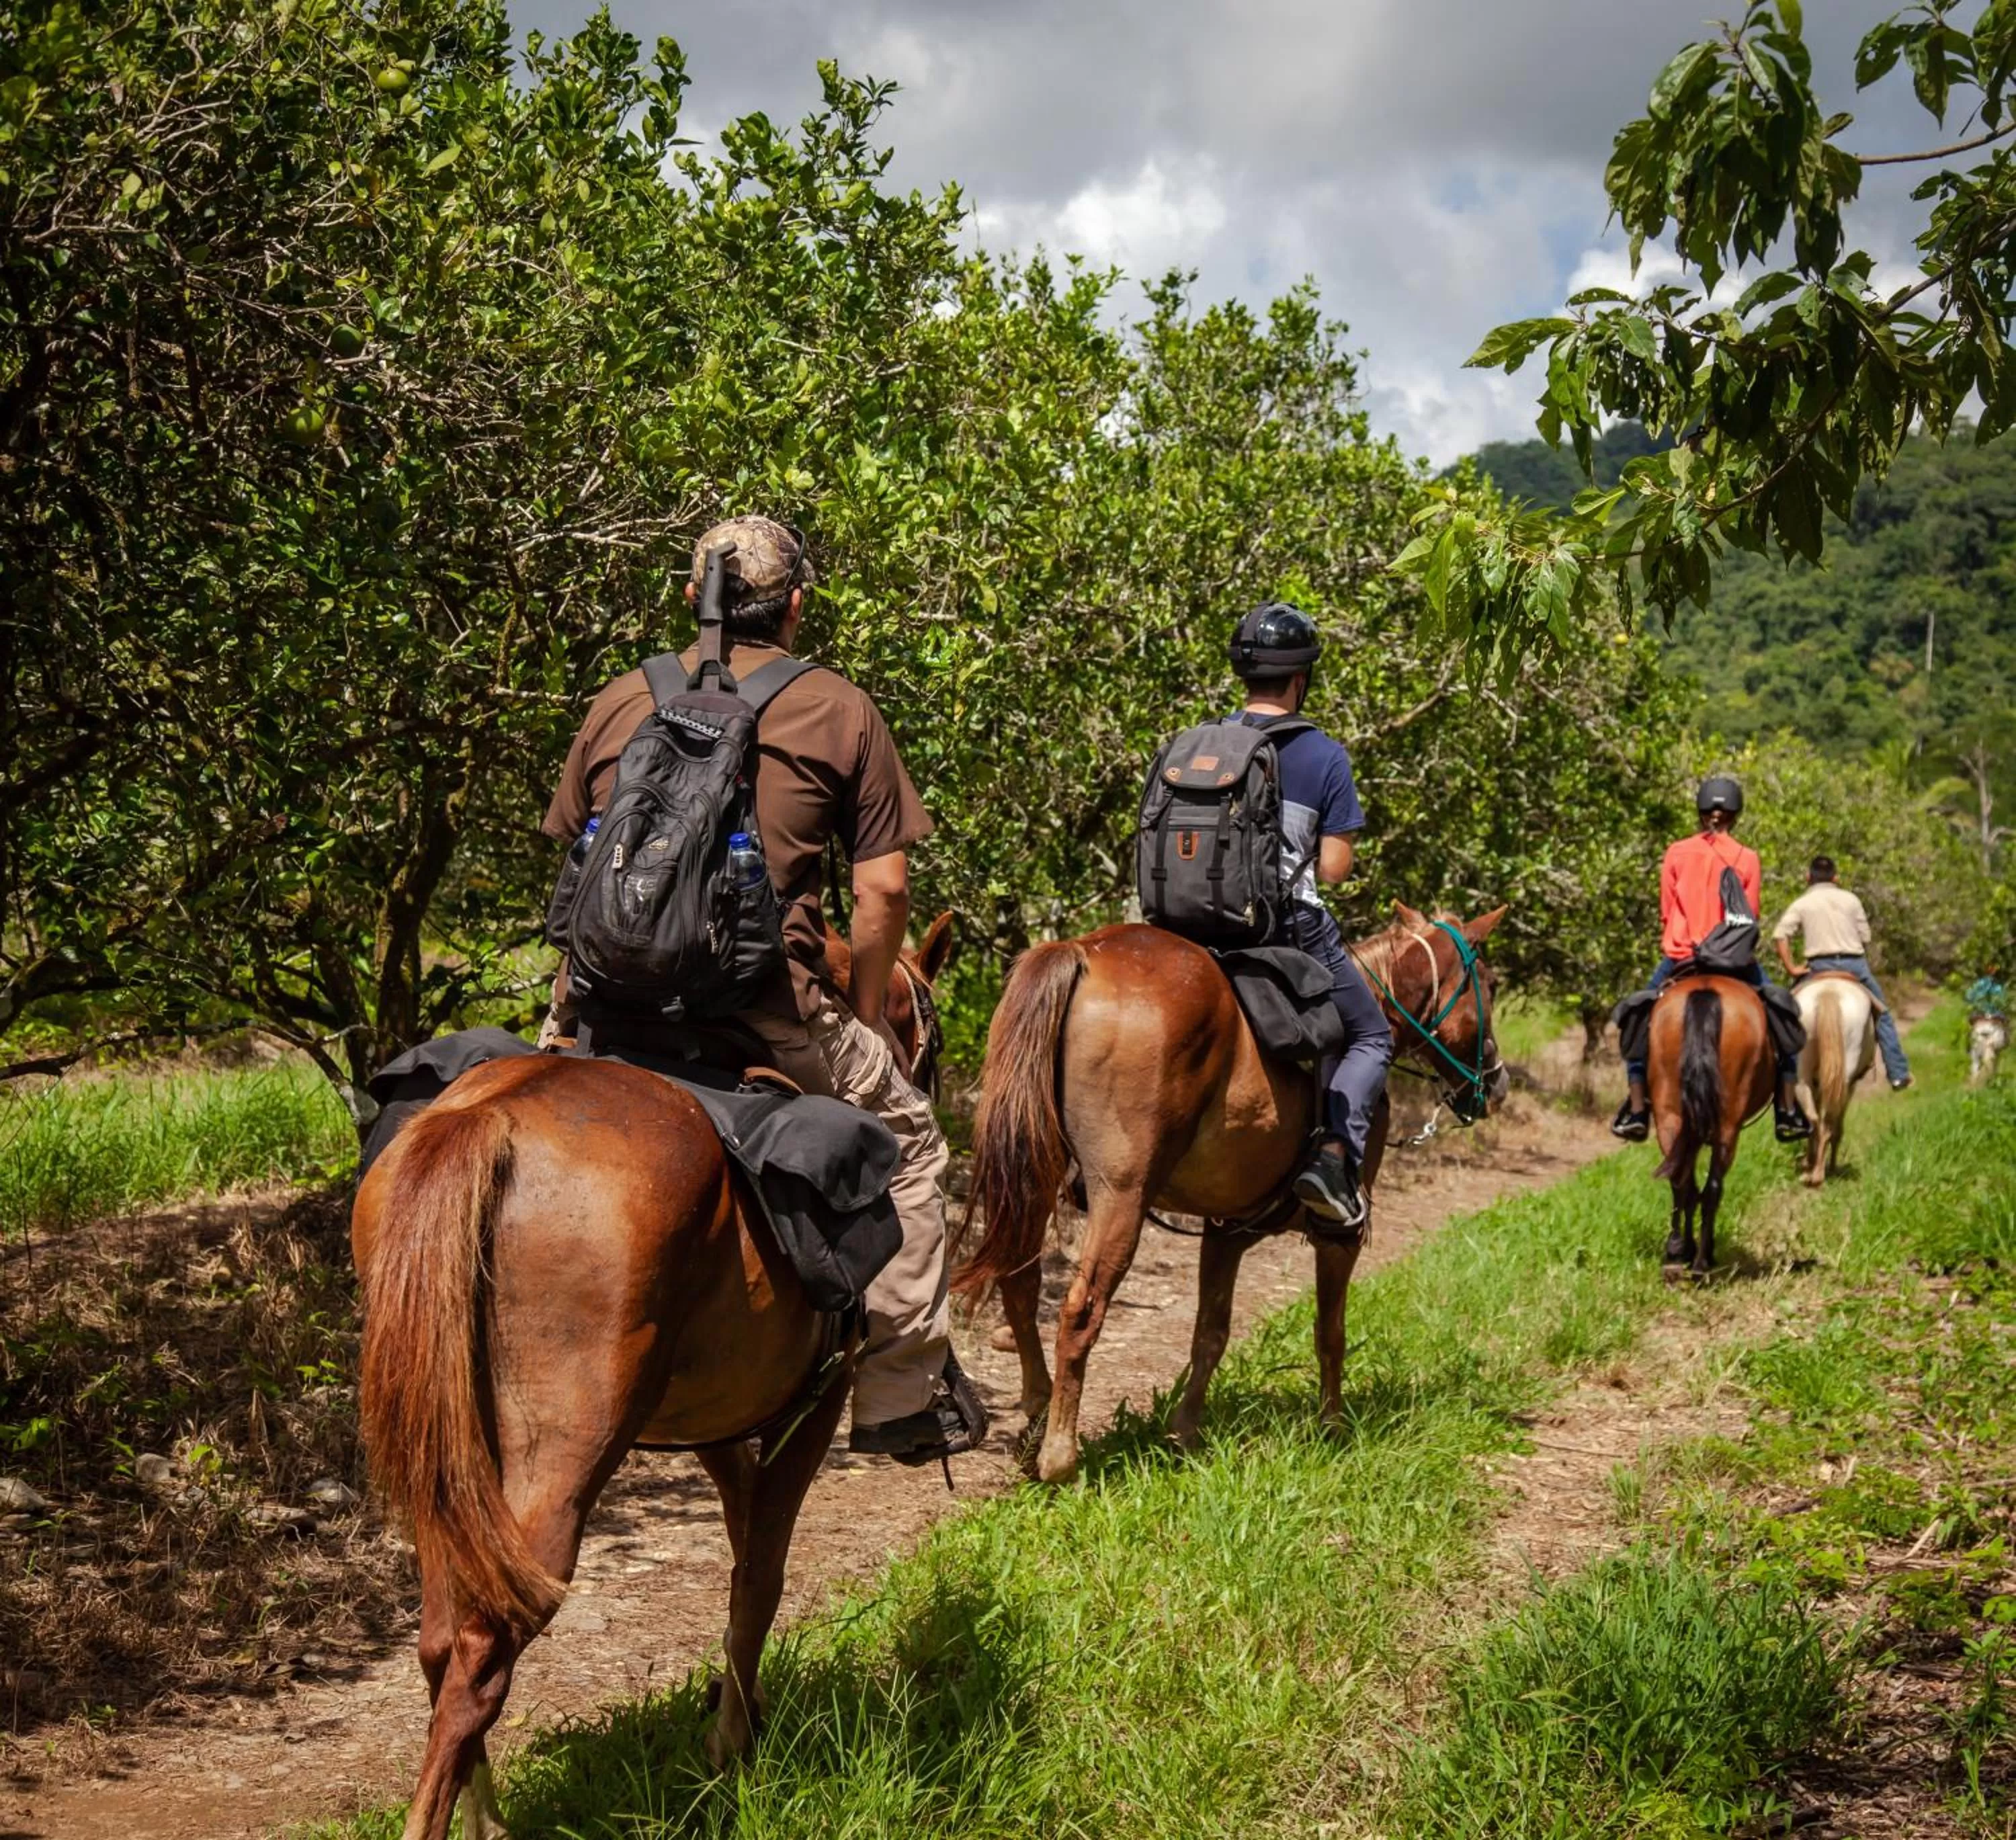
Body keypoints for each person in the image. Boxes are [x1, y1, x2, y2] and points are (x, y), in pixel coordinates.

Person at [542, 515, 986, 1467]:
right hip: (761, 1000)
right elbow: (885, 890)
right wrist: (862, 1016)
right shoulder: (839, 708)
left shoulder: (623, 696)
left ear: (693, 598)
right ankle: (900, 1393)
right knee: (910, 1146)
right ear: (794, 604)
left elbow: (573, 852)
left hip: (600, 992)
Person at [1226, 603, 1394, 1230]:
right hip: (1286, 926)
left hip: (1200, 922)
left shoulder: (1206, 738)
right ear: (1301, 680)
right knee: (1372, 1036)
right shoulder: (1324, 756)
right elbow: (1332, 871)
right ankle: (1331, 1156)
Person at [1611, 774, 1812, 1144]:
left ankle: (1637, 1107)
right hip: (1733, 962)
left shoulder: (1675, 852)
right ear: (1736, 814)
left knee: (1637, 1022)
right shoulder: (1748, 858)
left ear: (1701, 811)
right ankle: (1787, 1110)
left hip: (1682, 958)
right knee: (1783, 1022)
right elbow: (1749, 915)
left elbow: (1666, 910)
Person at [1771, 855, 1912, 1089]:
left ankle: (1782, 1075)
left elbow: (1780, 936)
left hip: (1817, 967)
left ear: (1809, 878)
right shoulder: (1852, 900)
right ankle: (1897, 1072)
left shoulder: (1803, 902)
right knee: (1883, 1014)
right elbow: (1865, 937)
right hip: (1854, 966)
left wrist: (1792, 967)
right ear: (1836, 878)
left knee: (1786, 1016)